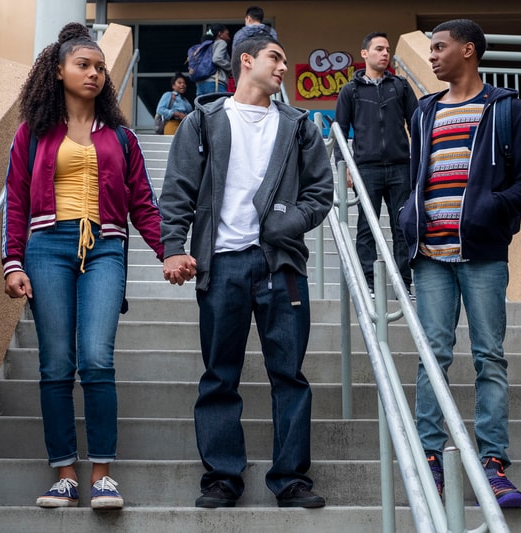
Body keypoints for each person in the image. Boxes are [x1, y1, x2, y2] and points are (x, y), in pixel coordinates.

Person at [159, 34, 333, 509]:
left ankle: (292, 479)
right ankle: (222, 477)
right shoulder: (204, 120)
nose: (283, 67)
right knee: (219, 375)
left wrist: (285, 222)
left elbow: (320, 193)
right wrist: (173, 248)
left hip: (282, 266)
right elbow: (177, 191)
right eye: (276, 57)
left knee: (289, 375)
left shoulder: (299, 127)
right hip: (222, 264)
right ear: (247, 61)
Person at [1, 22, 167, 510]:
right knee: (56, 364)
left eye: (99, 68)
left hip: (105, 248)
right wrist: (13, 262)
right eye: (83, 65)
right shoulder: (32, 134)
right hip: (47, 246)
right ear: (57, 71)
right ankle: (64, 474)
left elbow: (143, 202)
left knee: (96, 358)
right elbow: (16, 202)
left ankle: (103, 475)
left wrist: (168, 251)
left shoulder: (121, 136)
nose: (94, 73)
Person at [399, 19, 521, 508]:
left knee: (489, 357)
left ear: (469, 50)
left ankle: (493, 463)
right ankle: (430, 456)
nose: (432, 56)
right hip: (430, 257)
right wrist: (406, 217)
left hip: (482, 254)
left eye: (439, 48)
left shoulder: (506, 109)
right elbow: (417, 176)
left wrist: (490, 209)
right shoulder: (423, 112)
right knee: (432, 357)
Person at [334, 31, 418, 298]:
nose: (385, 53)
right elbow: (340, 131)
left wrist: (420, 160)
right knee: (366, 228)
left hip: (400, 167)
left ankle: (404, 283)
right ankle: (369, 284)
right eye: (379, 48)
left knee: (402, 225)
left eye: (388, 49)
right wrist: (343, 166)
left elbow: (417, 125)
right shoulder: (350, 91)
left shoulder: (401, 87)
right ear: (365, 54)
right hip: (366, 169)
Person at [196, 24, 232, 96]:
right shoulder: (221, 42)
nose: (229, 37)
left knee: (203, 106)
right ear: (220, 34)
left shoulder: (205, 45)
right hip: (215, 83)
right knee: (218, 106)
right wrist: (231, 68)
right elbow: (217, 59)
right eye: (227, 34)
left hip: (200, 84)